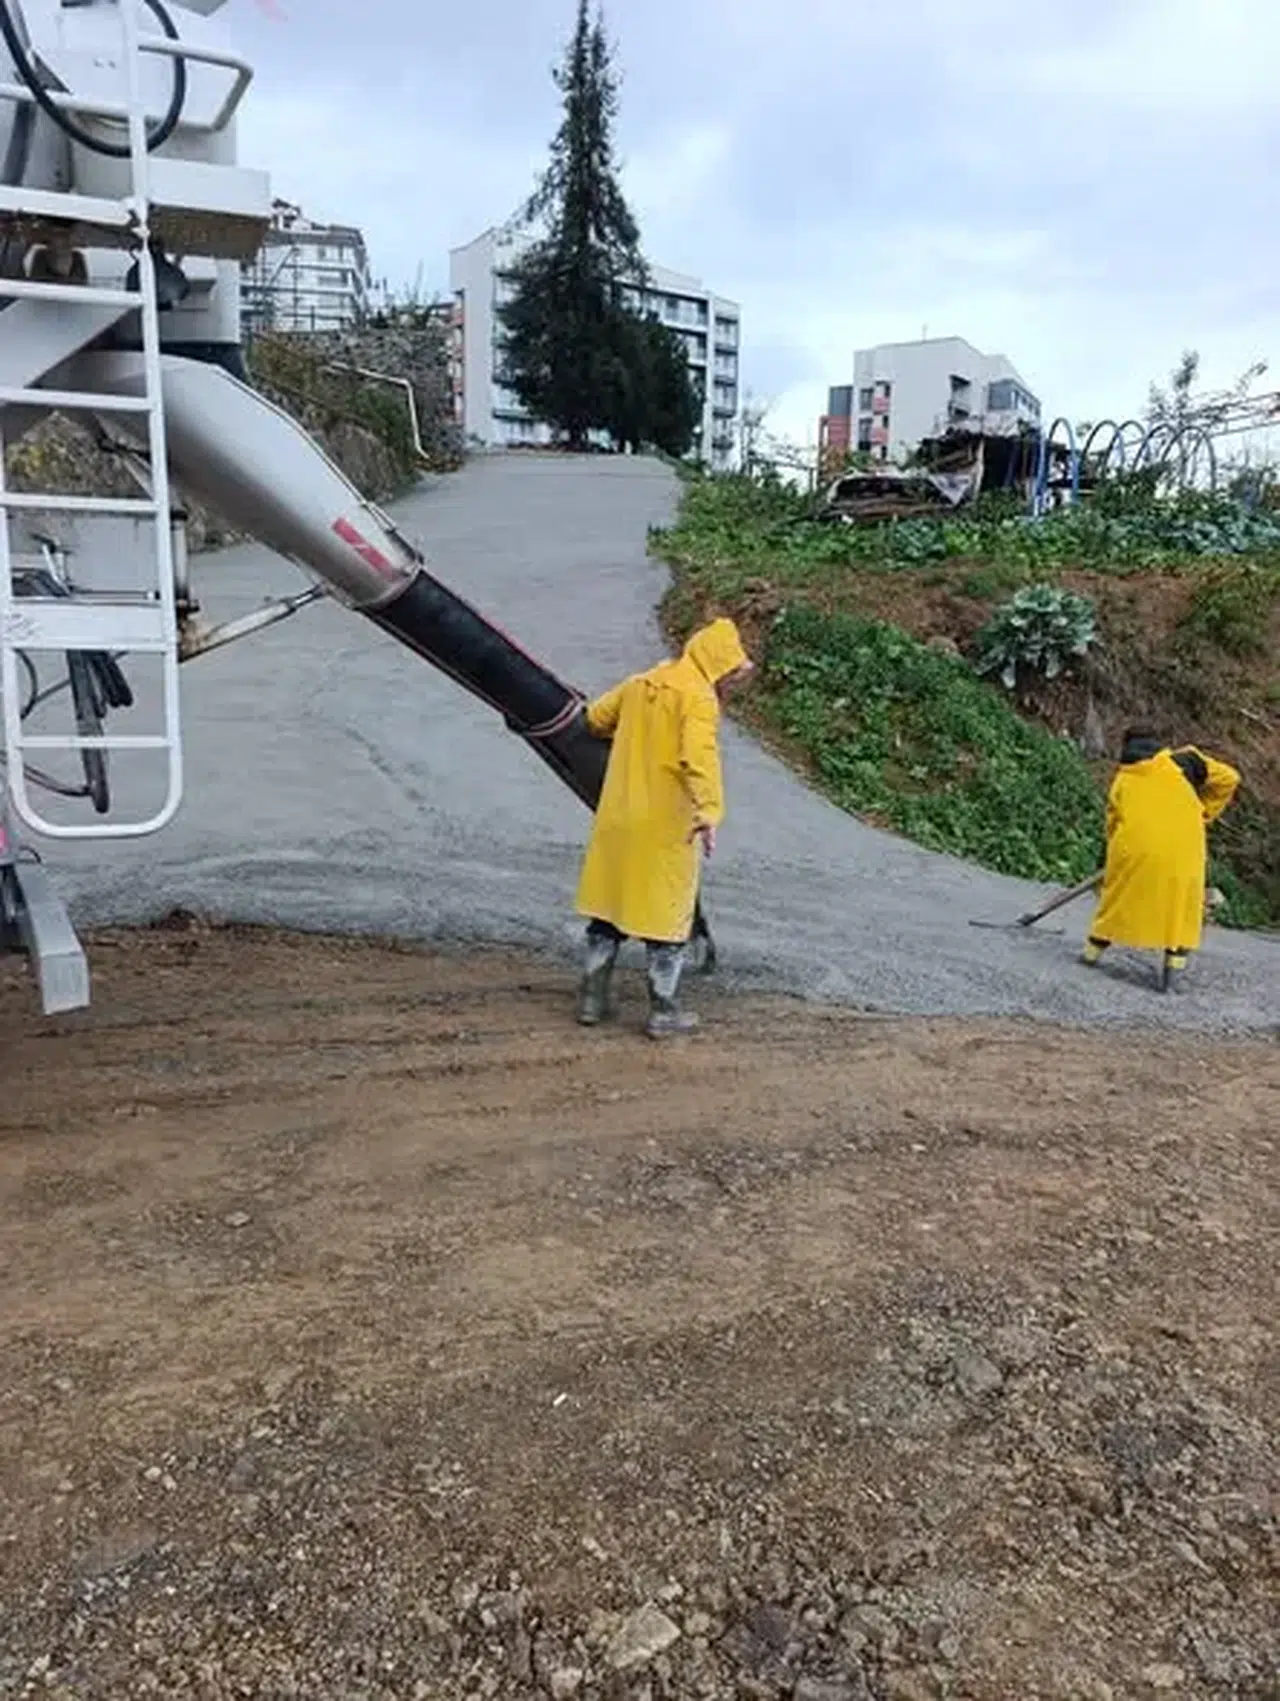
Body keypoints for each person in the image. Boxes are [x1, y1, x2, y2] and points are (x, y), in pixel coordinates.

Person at [574, 617, 754, 1038]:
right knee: (666, 917)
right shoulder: (697, 698)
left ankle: (591, 999)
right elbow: (699, 757)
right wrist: (709, 811)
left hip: (619, 819)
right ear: (719, 666)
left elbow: (596, 718)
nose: (732, 682)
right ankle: (664, 1011)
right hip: (664, 822)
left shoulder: (643, 682)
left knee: (610, 909)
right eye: (732, 674)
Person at [1083, 727, 1241, 990]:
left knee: (1117, 901)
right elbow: (1229, 779)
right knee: (1181, 910)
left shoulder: (1123, 779)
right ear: (1159, 745)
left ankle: (1091, 954)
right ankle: (1171, 972)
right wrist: (1203, 812)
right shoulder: (1187, 762)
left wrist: (1115, 857)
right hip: (1183, 850)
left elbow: (1112, 825)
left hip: (1132, 851)